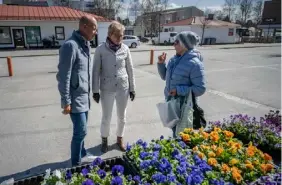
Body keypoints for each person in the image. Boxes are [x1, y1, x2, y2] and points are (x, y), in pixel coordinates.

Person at [56, 15, 97, 166]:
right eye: (94, 28)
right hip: (75, 99)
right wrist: (66, 101)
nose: (95, 32)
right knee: (80, 131)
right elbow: (63, 76)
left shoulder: (85, 44)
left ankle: (83, 153)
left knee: (83, 130)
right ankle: (76, 164)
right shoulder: (70, 46)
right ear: (84, 26)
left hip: (84, 98)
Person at [92, 21, 136, 153]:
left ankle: (119, 138)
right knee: (106, 116)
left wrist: (132, 88)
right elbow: (95, 71)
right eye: (117, 36)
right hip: (107, 88)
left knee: (122, 116)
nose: (120, 38)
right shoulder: (100, 49)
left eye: (122, 36)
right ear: (110, 34)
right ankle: (104, 139)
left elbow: (130, 69)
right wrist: (95, 90)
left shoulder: (125, 49)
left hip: (123, 87)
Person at [157, 31, 206, 138]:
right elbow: (165, 77)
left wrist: (179, 90)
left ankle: (180, 152)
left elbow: (200, 88)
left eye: (177, 42)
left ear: (185, 44)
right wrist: (161, 64)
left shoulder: (195, 63)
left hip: (185, 105)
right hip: (172, 101)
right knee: (175, 130)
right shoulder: (174, 59)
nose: (173, 44)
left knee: (182, 134)